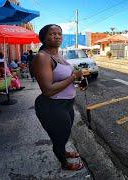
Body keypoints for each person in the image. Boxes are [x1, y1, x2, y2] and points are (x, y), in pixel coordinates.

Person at [33, 24, 84, 171]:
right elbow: (48, 90)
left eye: (59, 34)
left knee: (65, 133)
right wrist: (73, 77)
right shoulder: (42, 57)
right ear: (43, 37)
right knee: (59, 137)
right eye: (52, 34)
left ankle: (64, 151)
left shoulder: (59, 55)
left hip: (67, 104)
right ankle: (64, 163)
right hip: (52, 106)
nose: (57, 36)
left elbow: (65, 78)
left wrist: (78, 81)